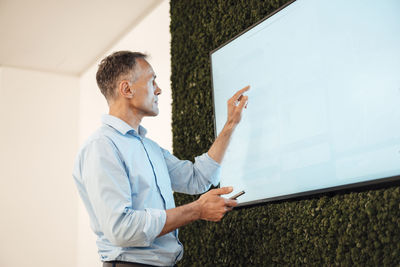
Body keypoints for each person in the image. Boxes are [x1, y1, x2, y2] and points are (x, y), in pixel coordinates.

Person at [73, 51, 249, 267]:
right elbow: (121, 229)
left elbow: (197, 178)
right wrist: (197, 209)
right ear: (126, 89)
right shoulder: (101, 147)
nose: (159, 90)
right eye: (152, 81)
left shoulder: (149, 148)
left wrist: (230, 124)